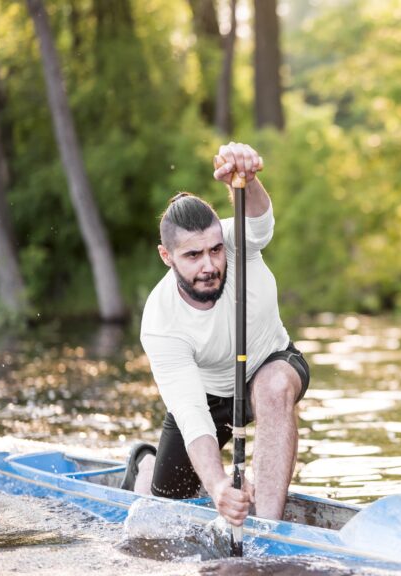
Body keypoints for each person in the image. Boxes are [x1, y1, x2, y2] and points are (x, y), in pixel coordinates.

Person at [123, 142, 310, 527]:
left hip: (269, 362)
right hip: (208, 396)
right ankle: (146, 464)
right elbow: (192, 415)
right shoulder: (160, 323)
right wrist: (219, 486)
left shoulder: (236, 240)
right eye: (193, 256)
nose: (209, 265)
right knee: (162, 509)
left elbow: (260, 222)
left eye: (215, 250)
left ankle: (269, 530)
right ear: (167, 257)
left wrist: (248, 180)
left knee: (274, 388)